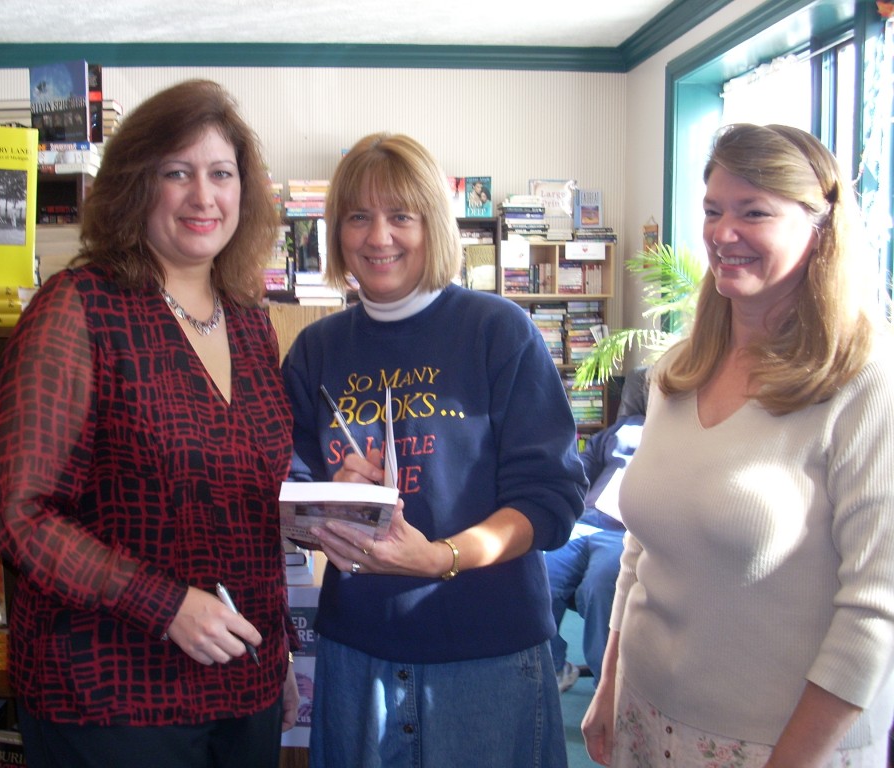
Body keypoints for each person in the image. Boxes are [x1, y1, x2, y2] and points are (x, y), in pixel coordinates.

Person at [0, 79, 299, 768]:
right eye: (176, 172)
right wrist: (164, 605)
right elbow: (13, 513)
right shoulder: (78, 308)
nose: (203, 196)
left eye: (221, 174)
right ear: (134, 185)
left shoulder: (251, 322)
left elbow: (248, 507)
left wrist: (279, 657)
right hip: (110, 697)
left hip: (243, 681)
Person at [582, 123, 894, 767]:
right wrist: (609, 680)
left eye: (754, 212)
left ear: (820, 228)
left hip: (781, 744)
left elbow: (876, 609)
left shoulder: (864, 382)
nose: (723, 233)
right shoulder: (678, 370)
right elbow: (643, 545)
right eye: (713, 211)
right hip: (647, 713)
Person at [281, 132, 587, 767]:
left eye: (401, 215)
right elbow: (289, 493)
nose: (378, 237)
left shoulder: (499, 331)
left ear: (434, 225)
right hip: (358, 653)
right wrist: (334, 499)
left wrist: (440, 558)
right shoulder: (316, 350)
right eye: (358, 217)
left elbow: (551, 502)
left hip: (488, 653)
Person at [545, 366, 647, 693]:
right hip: (584, 521)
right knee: (539, 572)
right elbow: (582, 467)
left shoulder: (684, 436)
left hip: (628, 532)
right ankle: (553, 667)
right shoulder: (623, 429)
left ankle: (609, 687)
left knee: (602, 586)